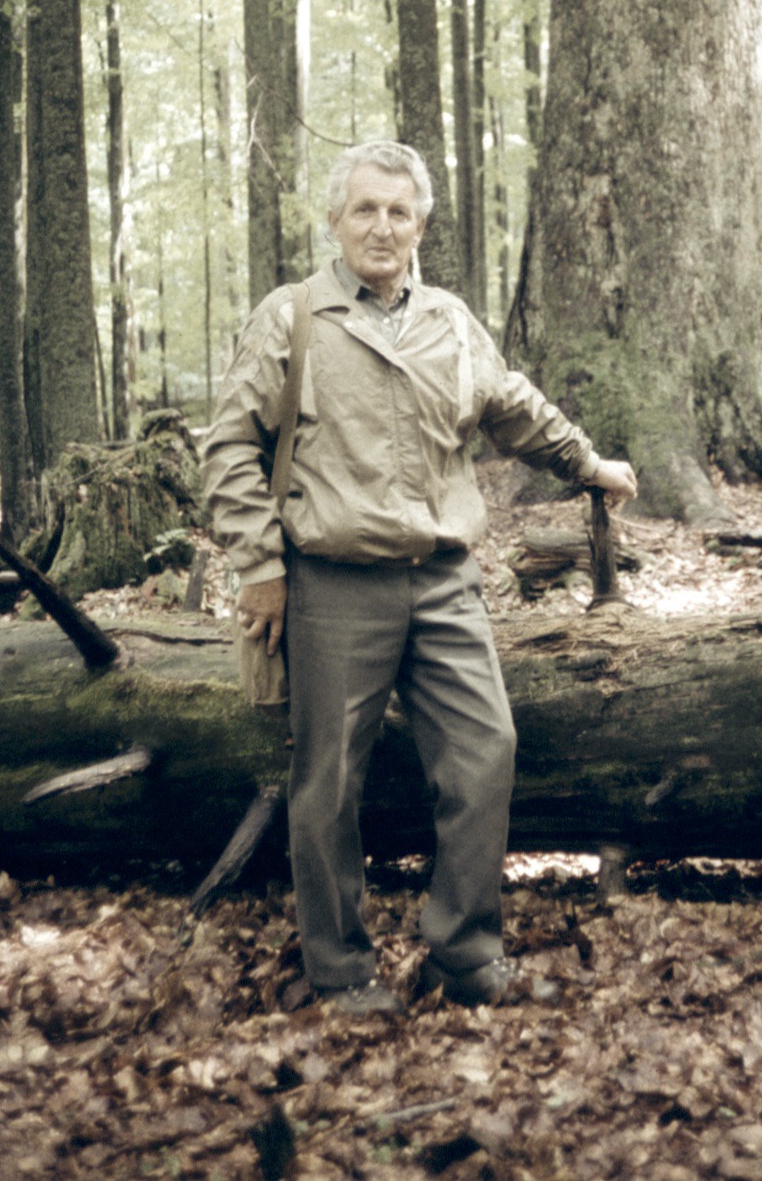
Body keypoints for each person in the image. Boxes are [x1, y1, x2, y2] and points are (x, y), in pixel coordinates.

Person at [203, 141, 637, 1014]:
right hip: (331, 586)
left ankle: (467, 956)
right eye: (365, 209)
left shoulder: (449, 319)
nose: (381, 226)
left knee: (486, 751)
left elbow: (512, 405)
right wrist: (258, 566)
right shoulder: (292, 318)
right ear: (335, 220)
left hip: (444, 581)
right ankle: (339, 974)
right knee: (327, 785)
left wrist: (589, 463)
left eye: (399, 212)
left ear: (421, 226)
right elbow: (226, 449)